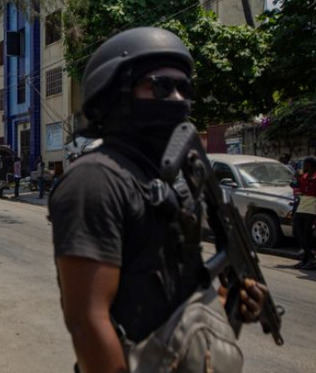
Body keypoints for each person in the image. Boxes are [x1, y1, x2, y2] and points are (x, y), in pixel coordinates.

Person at [49, 27, 268, 373]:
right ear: (117, 93)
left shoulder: (170, 180)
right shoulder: (95, 180)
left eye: (186, 88)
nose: (179, 99)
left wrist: (230, 305)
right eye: (162, 86)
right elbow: (87, 323)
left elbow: (176, 293)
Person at [291, 156, 316, 270]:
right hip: (303, 204)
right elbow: (299, 188)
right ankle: (308, 257)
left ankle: (308, 259)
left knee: (307, 234)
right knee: (297, 231)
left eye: (305, 164)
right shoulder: (304, 176)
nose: (303, 166)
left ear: (310, 165)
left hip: (312, 206)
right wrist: (296, 179)